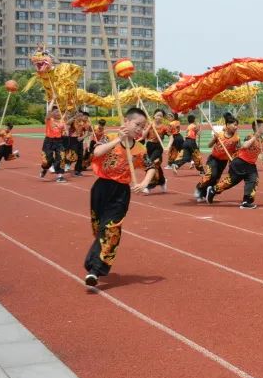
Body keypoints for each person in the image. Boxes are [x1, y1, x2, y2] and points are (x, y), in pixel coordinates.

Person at [84, 107, 157, 288]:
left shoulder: (139, 148)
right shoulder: (109, 137)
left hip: (121, 193)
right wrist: (119, 139)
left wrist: (144, 183)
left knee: (112, 230)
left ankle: (95, 270)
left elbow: (151, 167)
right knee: (99, 229)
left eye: (143, 127)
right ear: (126, 121)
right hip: (101, 188)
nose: (140, 129)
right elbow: (97, 152)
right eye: (137, 125)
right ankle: (94, 260)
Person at [207, 120, 263, 209]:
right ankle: (213, 190)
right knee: (231, 182)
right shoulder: (249, 136)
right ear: (257, 128)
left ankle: (246, 202)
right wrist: (255, 137)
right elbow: (245, 145)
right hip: (240, 162)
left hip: (251, 165)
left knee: (253, 180)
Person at [195, 114, 240, 202]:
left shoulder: (236, 138)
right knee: (211, 175)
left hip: (223, 162)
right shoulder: (220, 135)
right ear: (227, 125)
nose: (236, 127)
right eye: (234, 125)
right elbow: (209, 145)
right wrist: (214, 138)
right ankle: (199, 188)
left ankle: (204, 194)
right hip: (213, 159)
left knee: (215, 179)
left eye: (237, 125)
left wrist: (234, 160)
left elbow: (237, 150)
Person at [141, 109, 168, 195]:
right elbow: (143, 136)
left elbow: (172, 136)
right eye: (157, 115)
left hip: (158, 147)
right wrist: (149, 126)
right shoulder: (149, 125)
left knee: (151, 163)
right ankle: (162, 181)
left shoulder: (164, 127)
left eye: (161, 116)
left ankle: (149, 186)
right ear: (154, 116)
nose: (159, 117)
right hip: (149, 146)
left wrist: (168, 146)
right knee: (156, 166)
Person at [39, 104, 67, 183]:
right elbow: (48, 110)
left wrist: (65, 132)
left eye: (59, 112)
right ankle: (45, 168)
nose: (58, 113)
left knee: (61, 157)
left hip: (59, 141)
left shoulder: (62, 121)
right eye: (56, 112)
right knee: (48, 160)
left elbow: (64, 131)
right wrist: (53, 100)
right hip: (49, 141)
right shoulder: (49, 119)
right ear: (52, 113)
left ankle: (60, 176)